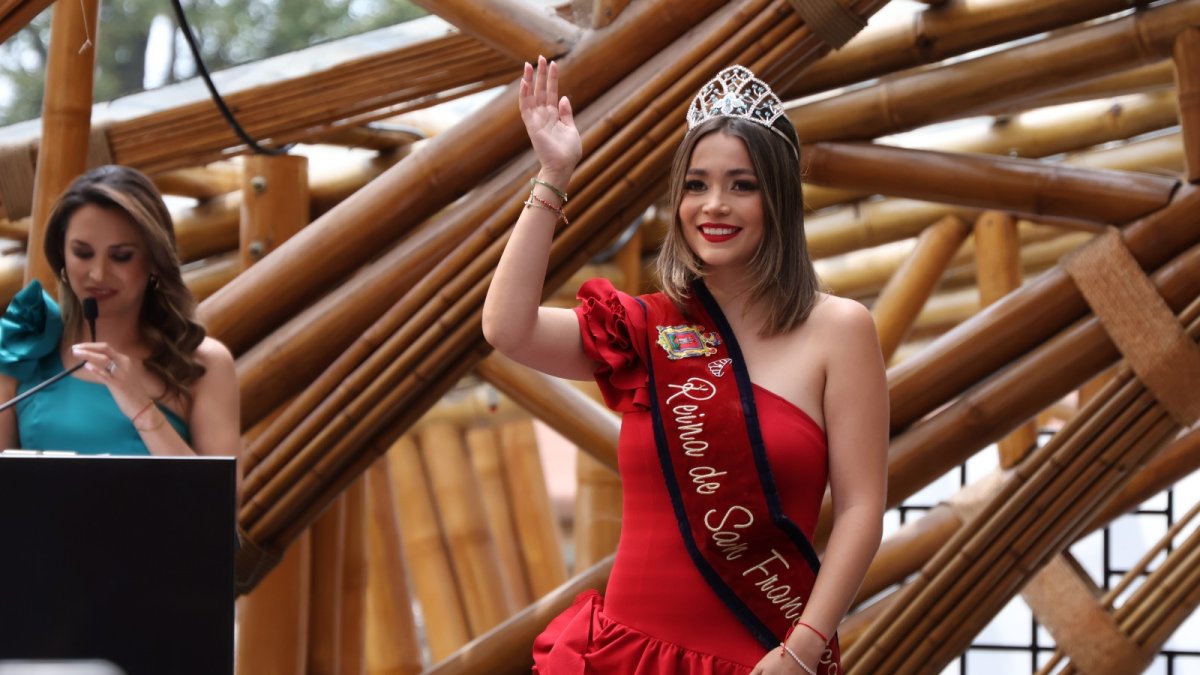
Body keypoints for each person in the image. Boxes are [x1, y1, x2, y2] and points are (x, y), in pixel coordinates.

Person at [483, 58, 888, 675]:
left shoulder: (840, 330)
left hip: (766, 659)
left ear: (778, 198)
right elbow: (507, 329)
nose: (714, 206)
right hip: (625, 656)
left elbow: (861, 508)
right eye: (696, 185)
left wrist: (802, 651)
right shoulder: (644, 328)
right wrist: (553, 174)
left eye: (742, 185)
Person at [0, 165, 240, 470]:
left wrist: (142, 408)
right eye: (83, 253)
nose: (98, 274)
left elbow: (220, 506)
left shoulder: (205, 363)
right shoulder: (21, 347)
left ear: (154, 260)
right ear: (61, 254)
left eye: (121, 256)